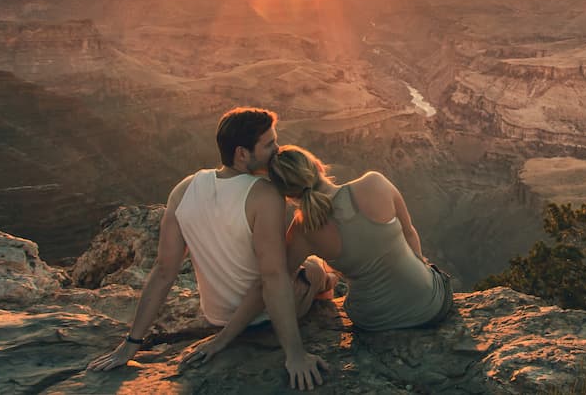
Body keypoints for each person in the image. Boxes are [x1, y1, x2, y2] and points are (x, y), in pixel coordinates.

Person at [87, 108, 329, 391]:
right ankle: (329, 292)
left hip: (216, 316)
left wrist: (131, 345)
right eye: (268, 144)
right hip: (262, 318)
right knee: (314, 267)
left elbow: (164, 271)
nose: (277, 150)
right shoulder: (264, 195)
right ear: (242, 153)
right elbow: (272, 277)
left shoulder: (184, 189)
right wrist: (295, 355)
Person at [188, 144, 451, 349]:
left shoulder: (304, 230)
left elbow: (270, 282)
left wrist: (223, 338)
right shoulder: (375, 182)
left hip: (374, 321)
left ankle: (329, 279)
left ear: (287, 195)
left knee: (313, 268)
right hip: (430, 304)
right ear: (316, 165)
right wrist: (421, 273)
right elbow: (410, 234)